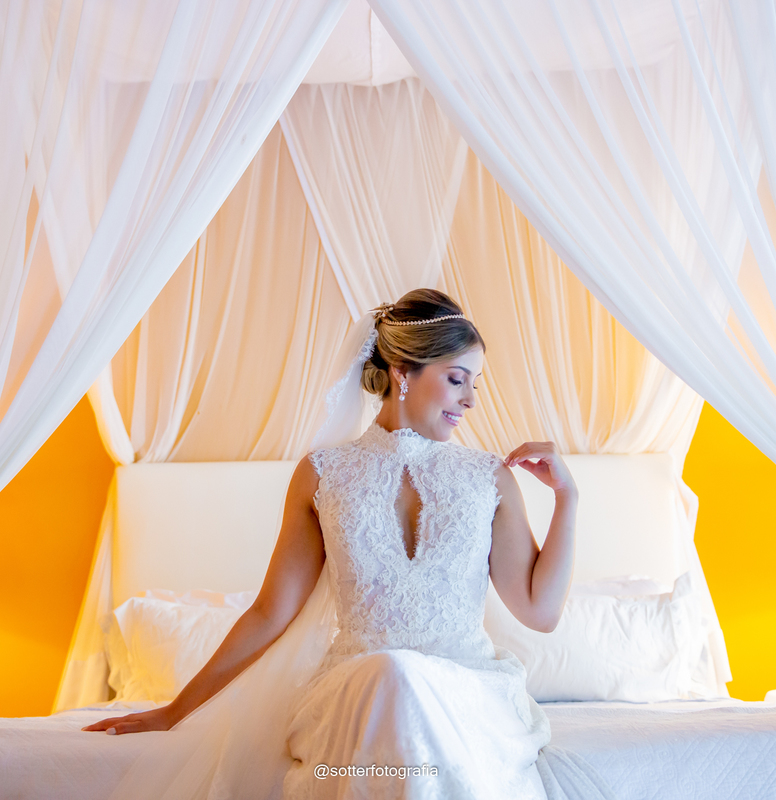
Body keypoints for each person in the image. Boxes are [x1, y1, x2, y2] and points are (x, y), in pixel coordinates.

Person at [83, 288, 578, 799]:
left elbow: (540, 612)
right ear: (402, 373)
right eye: (458, 379)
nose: (471, 400)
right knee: (391, 673)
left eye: (475, 383)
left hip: (467, 691)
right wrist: (174, 711)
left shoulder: (487, 478)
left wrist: (567, 498)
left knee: (400, 677)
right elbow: (269, 614)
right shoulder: (323, 474)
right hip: (355, 689)